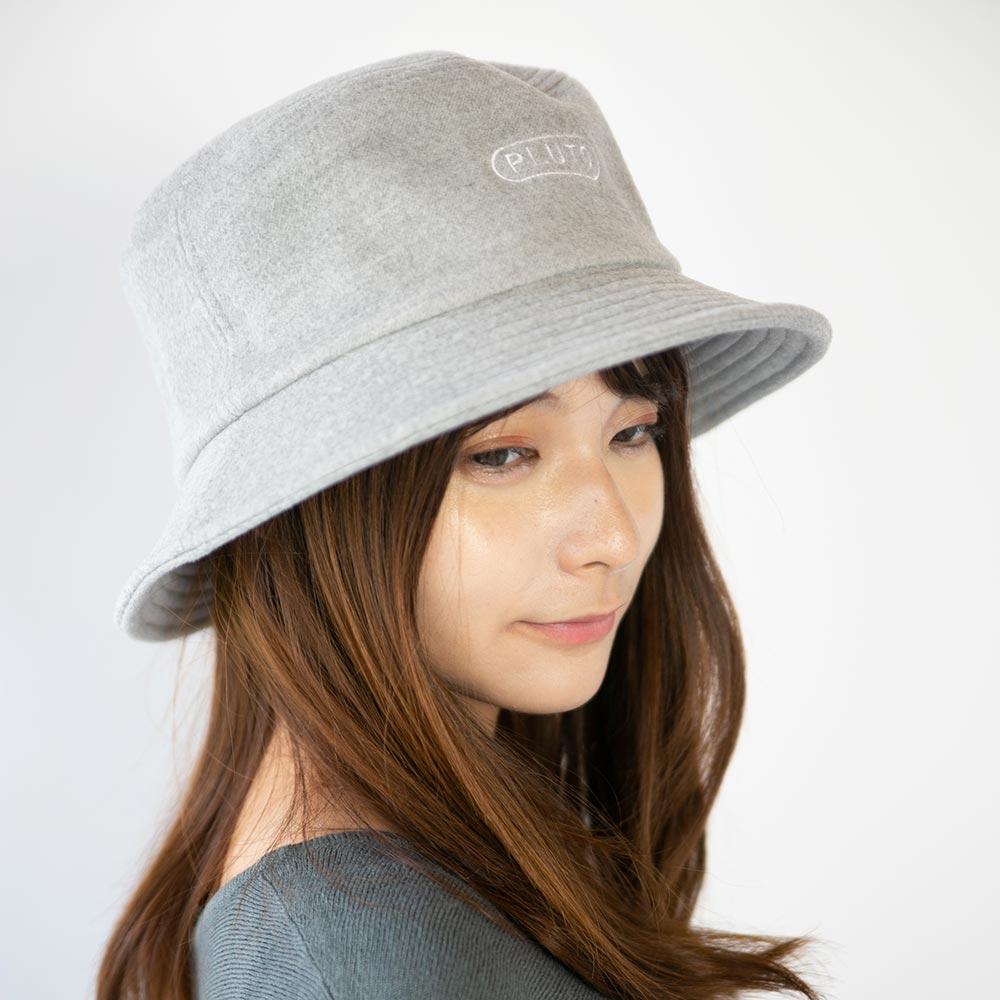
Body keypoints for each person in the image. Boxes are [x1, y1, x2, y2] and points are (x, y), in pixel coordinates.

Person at [98, 50, 833, 1000]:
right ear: (309, 508)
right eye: (502, 455)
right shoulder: (370, 961)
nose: (612, 536)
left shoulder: (395, 900)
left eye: (633, 432)